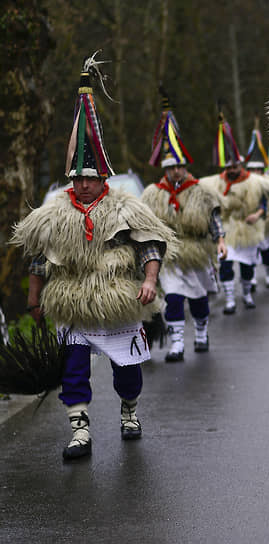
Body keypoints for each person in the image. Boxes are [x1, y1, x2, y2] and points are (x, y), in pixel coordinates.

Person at [11, 56, 176, 460]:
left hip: (118, 297)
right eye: (78, 178)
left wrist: (150, 280)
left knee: (127, 368)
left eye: (91, 178)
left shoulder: (125, 207)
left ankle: (129, 411)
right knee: (74, 368)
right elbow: (38, 258)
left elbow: (150, 245)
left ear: (103, 177)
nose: (84, 184)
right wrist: (35, 298)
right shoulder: (53, 213)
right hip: (71, 299)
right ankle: (80, 430)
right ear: (72, 178)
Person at [141, 90, 226, 362]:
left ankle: (201, 333)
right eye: (171, 167)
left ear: (185, 165)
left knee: (199, 301)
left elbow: (214, 219)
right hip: (170, 255)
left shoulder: (201, 191)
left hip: (197, 253)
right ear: (165, 168)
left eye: (179, 166)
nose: (175, 172)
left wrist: (220, 241)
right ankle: (177, 343)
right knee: (174, 298)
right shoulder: (154, 193)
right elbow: (145, 225)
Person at [200, 110, 266, 313]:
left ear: (240, 164)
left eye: (234, 166)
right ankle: (230, 299)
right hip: (226, 229)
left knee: (247, 266)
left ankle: (246, 294)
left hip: (247, 228)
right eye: (228, 167)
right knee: (226, 264)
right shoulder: (216, 183)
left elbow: (264, 203)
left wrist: (257, 214)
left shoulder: (254, 182)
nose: (231, 170)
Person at [245, 119, 269, 288]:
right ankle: (252, 276)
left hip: (266, 221)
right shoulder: (243, 184)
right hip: (249, 223)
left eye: (258, 170)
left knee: (266, 251)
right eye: (252, 170)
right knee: (250, 252)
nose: (255, 173)